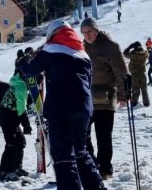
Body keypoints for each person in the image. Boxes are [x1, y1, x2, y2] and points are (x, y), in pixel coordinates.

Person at [18, 21, 103, 189]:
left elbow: (30, 70)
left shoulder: (51, 48)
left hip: (60, 108)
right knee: (81, 152)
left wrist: (23, 60)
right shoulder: (83, 54)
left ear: (52, 34)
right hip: (84, 108)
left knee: (63, 157)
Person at [79, 17, 128, 181]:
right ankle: (92, 164)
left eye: (90, 31)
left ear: (97, 29)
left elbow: (121, 72)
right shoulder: (82, 47)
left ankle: (105, 169)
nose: (87, 35)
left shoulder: (110, 46)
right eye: (84, 33)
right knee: (82, 133)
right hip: (87, 97)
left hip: (106, 96)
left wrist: (123, 95)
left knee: (103, 135)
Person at [0, 71, 30, 182]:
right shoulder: (20, 87)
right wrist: (26, 125)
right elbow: (21, 109)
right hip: (7, 118)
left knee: (20, 142)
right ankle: (5, 172)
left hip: (10, 117)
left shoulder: (18, 82)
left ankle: (16, 168)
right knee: (12, 144)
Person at [123, 42, 150, 107]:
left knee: (135, 89)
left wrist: (129, 47)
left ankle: (134, 103)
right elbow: (147, 53)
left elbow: (125, 53)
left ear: (134, 47)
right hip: (142, 74)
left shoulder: (132, 54)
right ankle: (146, 103)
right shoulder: (144, 54)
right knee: (144, 89)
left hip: (135, 74)